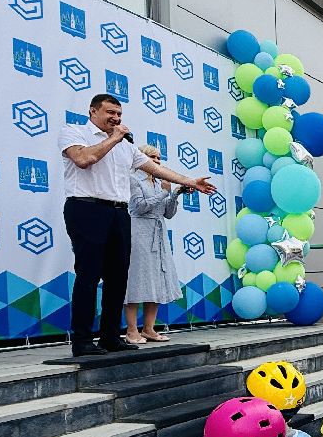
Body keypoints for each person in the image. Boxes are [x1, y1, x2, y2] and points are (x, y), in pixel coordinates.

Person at [61, 93, 214, 356]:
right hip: (86, 208)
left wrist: (189, 182)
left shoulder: (126, 147)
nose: (116, 119)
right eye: (110, 113)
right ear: (93, 111)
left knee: (118, 277)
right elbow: (83, 159)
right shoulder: (74, 132)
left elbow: (157, 170)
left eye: (119, 115)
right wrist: (114, 138)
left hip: (119, 214)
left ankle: (110, 336)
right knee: (88, 275)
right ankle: (82, 340)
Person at [123, 143, 189, 344]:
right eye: (153, 158)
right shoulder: (133, 179)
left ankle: (149, 329)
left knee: (157, 280)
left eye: (159, 158)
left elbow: (167, 214)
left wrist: (175, 194)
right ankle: (132, 330)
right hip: (138, 233)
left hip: (158, 235)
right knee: (136, 280)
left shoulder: (161, 182)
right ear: (141, 160)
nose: (157, 162)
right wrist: (163, 193)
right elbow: (139, 207)